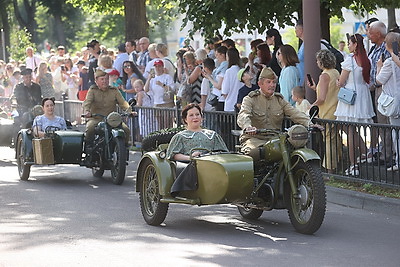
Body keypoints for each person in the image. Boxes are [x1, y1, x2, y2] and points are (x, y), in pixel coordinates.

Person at [237, 67, 310, 156]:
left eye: (274, 82)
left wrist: (310, 123)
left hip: (276, 139)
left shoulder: (279, 99)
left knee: (293, 150)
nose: (272, 85)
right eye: (269, 82)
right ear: (260, 84)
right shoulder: (250, 99)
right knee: (253, 153)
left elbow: (294, 113)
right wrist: (248, 127)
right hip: (255, 139)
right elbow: (243, 114)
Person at [307, 49, 341, 173]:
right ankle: (338, 166)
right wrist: (315, 87)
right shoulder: (335, 72)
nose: (316, 63)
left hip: (326, 111)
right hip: (336, 109)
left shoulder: (324, 75)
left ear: (321, 62)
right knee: (335, 139)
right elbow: (330, 91)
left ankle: (329, 170)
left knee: (328, 141)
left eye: (317, 60)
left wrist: (311, 106)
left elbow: (321, 98)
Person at [83, 69, 132, 150]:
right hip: (97, 119)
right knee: (90, 127)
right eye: (102, 79)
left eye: (106, 79)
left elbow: (123, 103)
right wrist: (87, 111)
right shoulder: (93, 90)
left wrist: (129, 111)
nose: (104, 81)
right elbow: (87, 102)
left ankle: (124, 148)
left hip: (112, 120)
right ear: (96, 81)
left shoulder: (114, 90)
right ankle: (88, 146)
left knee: (126, 129)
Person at [368, 21, 392, 165]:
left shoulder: (386, 49)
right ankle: (385, 152)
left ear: (378, 34)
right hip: (376, 88)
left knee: (385, 122)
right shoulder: (374, 48)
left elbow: (387, 72)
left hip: (383, 88)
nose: (369, 35)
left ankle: (388, 155)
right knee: (382, 122)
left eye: (371, 32)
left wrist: (376, 83)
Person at [376, 32, 400, 171]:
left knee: (396, 132)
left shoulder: (390, 62)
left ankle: (398, 162)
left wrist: (379, 66)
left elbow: (379, 80)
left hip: (394, 101)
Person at [221, 47, 243, 112]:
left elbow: (225, 90)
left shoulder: (229, 71)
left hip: (230, 105)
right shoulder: (241, 70)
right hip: (240, 105)